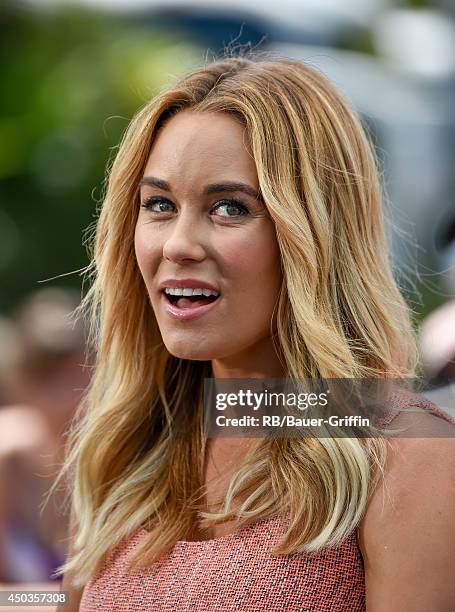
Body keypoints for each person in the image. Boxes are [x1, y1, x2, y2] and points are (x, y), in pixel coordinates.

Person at [55, 53, 455, 611]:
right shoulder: (127, 448)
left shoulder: (407, 454)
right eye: (160, 204)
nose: (178, 244)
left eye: (228, 208)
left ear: (313, 234)